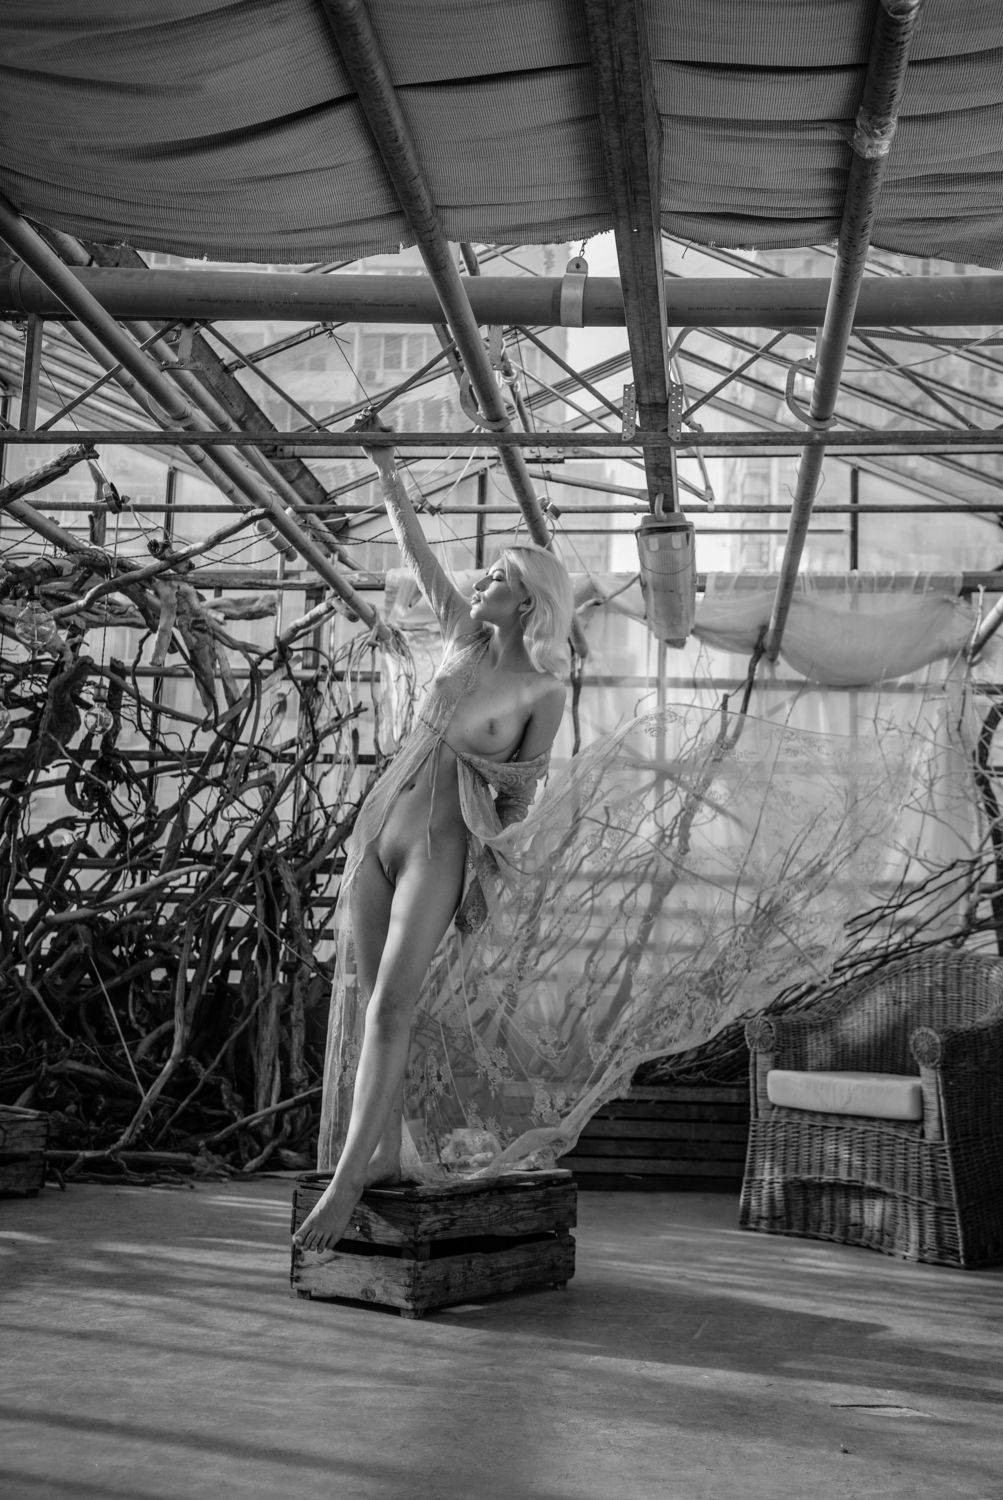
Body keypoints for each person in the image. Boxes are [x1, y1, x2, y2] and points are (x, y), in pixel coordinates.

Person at [294, 442, 574, 1253]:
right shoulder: (462, 639)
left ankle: (349, 1181)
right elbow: (417, 556)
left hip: (441, 849)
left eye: (497, 579)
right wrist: (388, 474)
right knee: (364, 999)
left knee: (393, 1004)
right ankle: (380, 1153)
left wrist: (491, 867)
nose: (480, 583)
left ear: (528, 601)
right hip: (379, 827)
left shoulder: (544, 690)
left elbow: (520, 796)